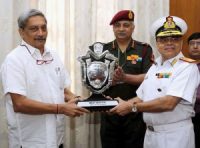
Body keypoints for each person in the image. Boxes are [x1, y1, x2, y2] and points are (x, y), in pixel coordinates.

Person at [0, 9, 89, 148]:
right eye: (34, 29)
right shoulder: (14, 60)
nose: (41, 33)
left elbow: (63, 91)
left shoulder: (53, 55)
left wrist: (82, 101)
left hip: (56, 139)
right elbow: (19, 104)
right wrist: (61, 108)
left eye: (43, 28)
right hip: (30, 142)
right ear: (21, 32)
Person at [110, 16, 200, 148]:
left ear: (181, 41)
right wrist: (116, 104)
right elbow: (141, 97)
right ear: (157, 42)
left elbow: (168, 103)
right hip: (150, 135)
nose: (169, 43)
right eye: (163, 39)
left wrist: (131, 107)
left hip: (175, 136)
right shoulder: (155, 66)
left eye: (174, 39)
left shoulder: (187, 67)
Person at [100, 10, 153, 148]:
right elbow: (95, 79)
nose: (121, 29)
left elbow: (149, 78)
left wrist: (125, 78)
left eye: (126, 25)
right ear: (113, 28)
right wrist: (110, 80)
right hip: (109, 111)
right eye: (117, 25)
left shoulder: (144, 49)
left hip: (135, 111)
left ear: (133, 28)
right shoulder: (103, 50)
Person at [188, 32, 200, 148]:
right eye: (192, 44)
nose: (195, 46)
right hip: (184, 116)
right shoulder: (181, 66)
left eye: (199, 43)